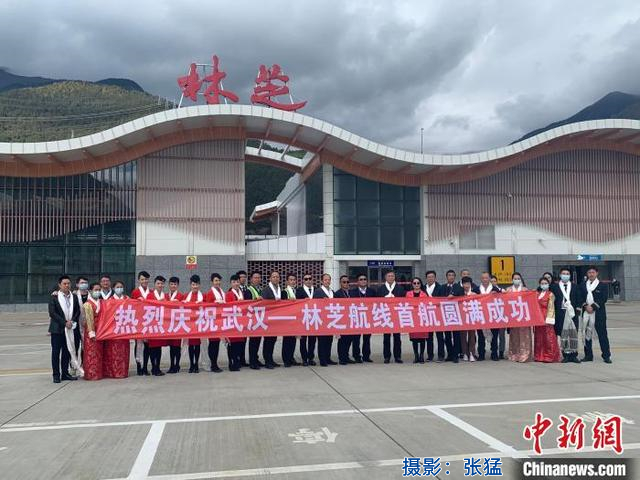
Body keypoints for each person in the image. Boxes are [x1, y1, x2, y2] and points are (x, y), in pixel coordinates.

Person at [48, 275, 81, 383]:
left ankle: (65, 374)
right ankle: (56, 375)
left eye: (68, 283)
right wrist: (64, 323)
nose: (67, 285)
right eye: (64, 283)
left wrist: (72, 321)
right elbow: (52, 313)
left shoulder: (74, 297)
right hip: (57, 329)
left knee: (67, 352)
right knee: (56, 353)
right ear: (59, 285)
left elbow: (77, 311)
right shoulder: (54, 297)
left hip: (70, 328)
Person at [579, 266, 611, 363]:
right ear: (587, 274)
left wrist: (593, 307)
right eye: (589, 272)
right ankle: (588, 355)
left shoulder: (602, 285)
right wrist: (585, 306)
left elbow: (603, 298)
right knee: (587, 335)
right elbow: (580, 298)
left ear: (597, 273)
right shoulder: (582, 285)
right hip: (586, 314)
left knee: (602, 335)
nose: (591, 274)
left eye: (593, 272)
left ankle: (606, 356)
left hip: (599, 314)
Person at [550, 267, 581, 363]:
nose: (565, 275)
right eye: (563, 273)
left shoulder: (575, 286)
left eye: (567, 274)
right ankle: (566, 354)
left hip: (572, 314)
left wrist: (577, 311)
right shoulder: (554, 287)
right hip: (560, 313)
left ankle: (574, 354)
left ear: (570, 276)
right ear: (560, 275)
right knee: (564, 334)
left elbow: (579, 299)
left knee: (573, 334)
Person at [103, 280, 130, 378]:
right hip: (113, 330)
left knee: (123, 351)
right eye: (117, 287)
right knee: (113, 351)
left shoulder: (127, 299)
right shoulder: (109, 300)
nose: (119, 289)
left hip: (125, 329)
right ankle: (113, 371)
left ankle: (123, 371)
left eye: (121, 287)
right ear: (113, 289)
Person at [378, 270, 404, 363]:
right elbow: (377, 303)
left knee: (397, 337)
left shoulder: (400, 288)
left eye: (392, 276)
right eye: (389, 276)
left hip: (396, 315)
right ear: (385, 277)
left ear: (394, 277)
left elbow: (403, 302)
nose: (391, 277)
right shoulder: (380, 289)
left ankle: (397, 356)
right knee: (386, 337)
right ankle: (387, 356)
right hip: (386, 315)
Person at [534, 277, 562, 363]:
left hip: (546, 317)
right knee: (539, 337)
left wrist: (549, 319)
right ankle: (539, 355)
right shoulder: (537, 294)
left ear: (548, 284)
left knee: (548, 337)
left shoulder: (550, 294)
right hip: (538, 317)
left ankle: (550, 355)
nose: (544, 285)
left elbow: (551, 308)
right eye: (542, 283)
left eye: (545, 283)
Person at [476, 271, 502, 361]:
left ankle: (494, 354)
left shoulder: (495, 289)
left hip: (493, 315)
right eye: (483, 278)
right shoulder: (476, 289)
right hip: (481, 315)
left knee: (494, 336)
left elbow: (502, 299)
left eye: (486, 278)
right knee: (481, 336)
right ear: (481, 279)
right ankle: (481, 354)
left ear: (489, 279)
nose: (485, 279)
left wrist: (497, 295)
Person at [350, 274, 376, 362]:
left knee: (367, 339)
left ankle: (366, 356)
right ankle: (356, 356)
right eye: (361, 279)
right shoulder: (352, 292)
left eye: (364, 279)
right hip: (356, 318)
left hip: (368, 318)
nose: (363, 281)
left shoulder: (372, 292)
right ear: (357, 282)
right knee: (356, 339)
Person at [259, 270, 283, 369]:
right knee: (268, 341)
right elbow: (264, 304)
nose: (276, 278)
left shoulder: (280, 289)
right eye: (274, 277)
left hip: (276, 319)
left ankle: (271, 359)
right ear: (270, 278)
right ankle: (267, 361)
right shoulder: (266, 289)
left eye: (277, 277)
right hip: (268, 319)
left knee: (273, 340)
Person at [507, 272, 532, 363]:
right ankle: (514, 354)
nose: (516, 280)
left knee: (524, 335)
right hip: (513, 315)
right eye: (515, 278)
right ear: (512, 280)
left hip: (523, 315)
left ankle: (525, 354)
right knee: (514, 335)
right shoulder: (508, 290)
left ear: (521, 279)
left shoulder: (525, 290)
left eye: (518, 278)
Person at [313, 273, 337, 366]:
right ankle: (322, 360)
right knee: (322, 340)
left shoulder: (332, 291)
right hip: (321, 319)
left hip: (331, 319)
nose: (327, 281)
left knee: (329, 340)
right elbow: (314, 304)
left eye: (328, 280)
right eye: (325, 280)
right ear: (322, 281)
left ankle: (328, 358)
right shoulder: (318, 291)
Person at [83, 282, 104, 381]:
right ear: (90, 291)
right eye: (96, 290)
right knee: (91, 352)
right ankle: (91, 373)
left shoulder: (102, 302)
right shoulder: (88, 304)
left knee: (99, 352)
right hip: (91, 331)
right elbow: (88, 320)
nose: (98, 292)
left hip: (101, 330)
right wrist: (91, 332)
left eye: (99, 290)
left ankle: (99, 372)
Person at [131, 271, 151, 376]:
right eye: (142, 279)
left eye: (146, 279)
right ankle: (139, 366)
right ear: (139, 280)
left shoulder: (151, 292)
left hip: (148, 321)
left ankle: (145, 367)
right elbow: (131, 306)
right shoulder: (135, 292)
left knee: (147, 344)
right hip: (138, 321)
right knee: (138, 344)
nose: (144, 281)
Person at [204, 273, 225, 373]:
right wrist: (215, 304)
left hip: (220, 321)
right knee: (213, 343)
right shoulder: (210, 293)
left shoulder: (222, 292)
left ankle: (215, 363)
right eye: (216, 280)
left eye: (219, 280)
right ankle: (213, 364)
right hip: (212, 322)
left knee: (217, 344)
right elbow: (208, 307)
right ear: (212, 282)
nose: (218, 282)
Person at [183, 274, 204, 373]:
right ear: (190, 285)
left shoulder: (203, 296)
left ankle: (196, 365)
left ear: (199, 285)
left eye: (197, 284)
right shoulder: (186, 296)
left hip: (200, 324)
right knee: (191, 345)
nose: (195, 286)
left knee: (198, 345)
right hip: (190, 324)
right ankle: (192, 364)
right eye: (193, 284)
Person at [225, 274, 246, 372]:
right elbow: (228, 308)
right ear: (231, 283)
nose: (236, 284)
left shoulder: (241, 293)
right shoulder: (229, 294)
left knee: (239, 344)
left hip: (240, 322)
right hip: (232, 322)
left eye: (237, 282)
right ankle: (231, 363)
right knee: (232, 344)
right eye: (234, 282)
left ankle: (237, 361)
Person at [148, 275, 168, 376]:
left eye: (162, 283)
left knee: (159, 348)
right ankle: (154, 368)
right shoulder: (150, 295)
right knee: (153, 347)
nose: (160, 285)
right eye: (158, 283)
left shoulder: (165, 296)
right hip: (152, 325)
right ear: (155, 284)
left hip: (161, 325)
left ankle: (158, 367)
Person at [423, 270, 444, 362]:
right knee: (429, 337)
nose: (430, 278)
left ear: (435, 278)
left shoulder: (440, 287)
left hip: (438, 315)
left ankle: (441, 355)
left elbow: (443, 300)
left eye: (432, 277)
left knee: (440, 336)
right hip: (427, 315)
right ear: (426, 278)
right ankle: (430, 355)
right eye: (429, 277)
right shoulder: (423, 288)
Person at [246, 271, 265, 370]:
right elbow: (246, 304)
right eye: (255, 278)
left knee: (258, 340)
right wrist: (255, 301)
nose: (257, 279)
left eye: (259, 278)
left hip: (260, 318)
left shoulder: (261, 290)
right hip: (252, 319)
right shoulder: (248, 290)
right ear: (251, 279)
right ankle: (252, 361)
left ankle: (256, 359)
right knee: (253, 341)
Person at [441, 270, 461, 363]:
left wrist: (454, 296)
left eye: (453, 275)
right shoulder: (442, 287)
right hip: (445, 315)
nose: (451, 277)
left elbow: (462, 298)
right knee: (447, 336)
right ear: (446, 277)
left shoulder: (458, 287)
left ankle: (455, 355)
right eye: (449, 275)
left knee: (456, 336)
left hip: (456, 315)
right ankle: (449, 354)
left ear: (455, 277)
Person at [407, 277, 428, 363]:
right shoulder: (408, 294)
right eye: (414, 283)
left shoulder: (424, 294)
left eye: (418, 283)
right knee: (414, 339)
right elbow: (407, 304)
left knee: (422, 339)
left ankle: (422, 355)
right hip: (413, 318)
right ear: (412, 284)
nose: (416, 285)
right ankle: (416, 356)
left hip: (422, 318)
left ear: (420, 284)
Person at [297, 273, 317, 366]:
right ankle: (304, 359)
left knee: (312, 340)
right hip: (303, 318)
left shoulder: (316, 290)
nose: (308, 280)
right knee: (303, 340)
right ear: (303, 281)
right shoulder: (299, 290)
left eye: (310, 278)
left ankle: (311, 358)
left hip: (314, 318)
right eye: (306, 279)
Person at [335, 275, 355, 365]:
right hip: (341, 319)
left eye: (347, 282)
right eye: (344, 282)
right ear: (340, 283)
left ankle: (346, 357)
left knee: (349, 339)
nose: (346, 284)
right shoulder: (337, 294)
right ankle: (342, 358)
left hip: (350, 319)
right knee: (342, 340)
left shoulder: (352, 293)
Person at [166, 276, 184, 373]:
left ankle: (177, 364)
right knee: (171, 346)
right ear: (169, 285)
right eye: (172, 284)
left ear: (178, 285)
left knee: (177, 346)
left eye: (175, 284)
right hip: (168, 324)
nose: (173, 286)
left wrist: (179, 303)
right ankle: (172, 365)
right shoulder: (165, 296)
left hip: (178, 324)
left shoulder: (181, 296)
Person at [282, 273, 300, 367]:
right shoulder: (284, 292)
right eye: (291, 280)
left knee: (293, 340)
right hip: (287, 319)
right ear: (287, 282)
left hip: (296, 319)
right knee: (287, 340)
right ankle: (286, 359)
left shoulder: (298, 291)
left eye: (294, 280)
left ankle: (291, 357)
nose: (293, 282)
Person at [458, 276, 477, 362]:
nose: (466, 285)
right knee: (463, 336)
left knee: (472, 336)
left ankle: (472, 353)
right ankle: (465, 353)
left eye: (468, 283)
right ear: (462, 284)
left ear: (470, 284)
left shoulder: (474, 294)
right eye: (465, 283)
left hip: (471, 317)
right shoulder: (460, 294)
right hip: (462, 318)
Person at [236, 270, 250, 367]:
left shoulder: (248, 289)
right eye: (241, 277)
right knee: (237, 341)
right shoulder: (233, 290)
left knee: (244, 340)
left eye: (245, 277)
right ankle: (237, 359)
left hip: (246, 318)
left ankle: (242, 359)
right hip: (237, 318)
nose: (243, 279)